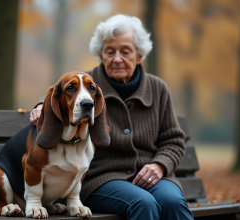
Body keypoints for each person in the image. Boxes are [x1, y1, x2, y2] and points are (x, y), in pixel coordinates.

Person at [30, 14, 193, 220]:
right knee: (143, 203)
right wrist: (39, 106)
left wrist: (159, 166)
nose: (117, 59)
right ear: (101, 54)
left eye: (125, 51)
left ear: (139, 55)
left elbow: (174, 141)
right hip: (101, 180)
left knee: (173, 203)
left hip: (152, 177)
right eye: (109, 51)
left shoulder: (158, 88)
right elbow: (59, 92)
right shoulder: (88, 83)